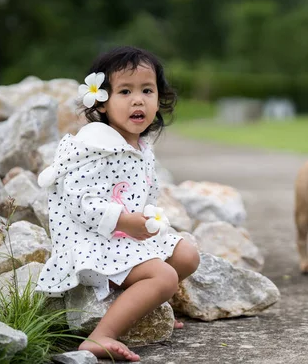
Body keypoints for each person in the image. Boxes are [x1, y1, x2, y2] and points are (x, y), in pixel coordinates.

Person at [35, 46, 200, 361]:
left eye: (147, 90)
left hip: (125, 235)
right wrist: (123, 221)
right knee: (164, 277)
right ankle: (101, 336)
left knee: (188, 255)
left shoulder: (140, 144)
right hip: (95, 239)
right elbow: (78, 200)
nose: (138, 100)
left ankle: (144, 305)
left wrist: (147, 221)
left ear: (159, 98)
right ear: (102, 101)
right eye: (125, 91)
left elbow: (144, 192)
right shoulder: (96, 145)